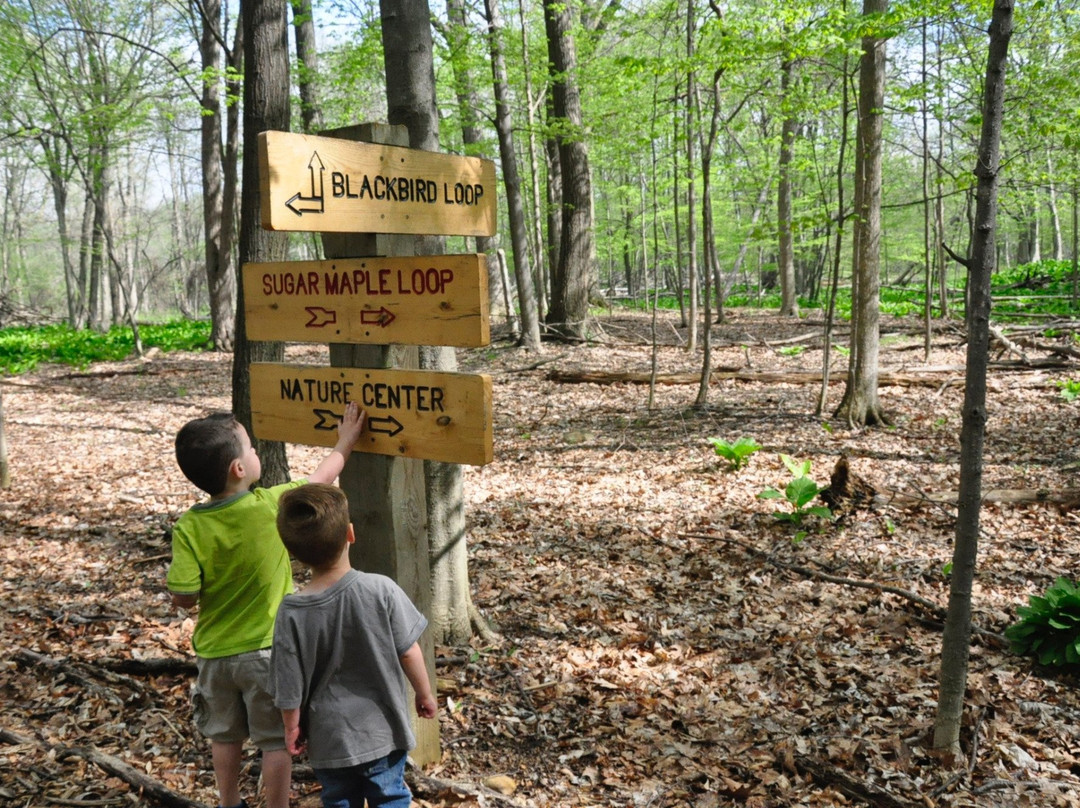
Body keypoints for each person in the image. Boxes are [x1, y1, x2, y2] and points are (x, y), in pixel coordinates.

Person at [166, 403, 366, 808]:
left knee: (224, 736)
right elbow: (321, 478)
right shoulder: (270, 505)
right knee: (276, 741)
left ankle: (229, 802)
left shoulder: (189, 527)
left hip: (215, 655)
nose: (258, 452)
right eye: (252, 448)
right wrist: (345, 441)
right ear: (239, 468)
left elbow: (183, 597)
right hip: (267, 652)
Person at [270, 483, 438, 808]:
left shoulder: (291, 613)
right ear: (350, 533)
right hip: (383, 731)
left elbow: (288, 683)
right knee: (390, 797)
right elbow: (409, 650)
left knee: (338, 800)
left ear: (293, 552)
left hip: (329, 740)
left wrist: (291, 727)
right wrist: (424, 693)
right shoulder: (381, 589)